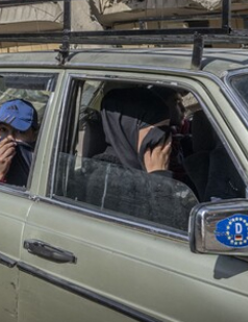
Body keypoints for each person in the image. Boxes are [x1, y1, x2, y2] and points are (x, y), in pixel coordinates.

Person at [84, 88, 198, 231]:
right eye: (156, 131)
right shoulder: (107, 178)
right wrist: (159, 179)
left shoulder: (139, 166)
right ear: (130, 129)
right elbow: (166, 231)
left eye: (166, 130)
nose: (162, 139)